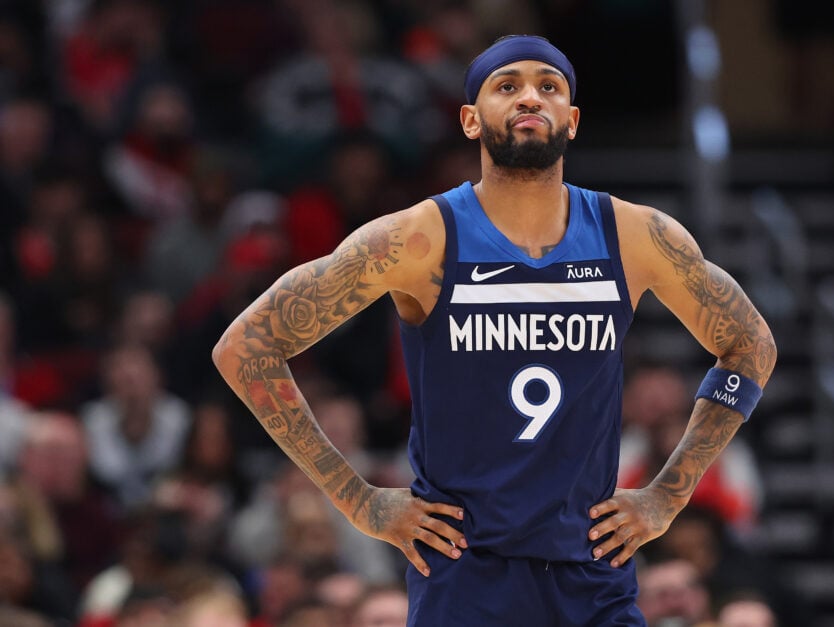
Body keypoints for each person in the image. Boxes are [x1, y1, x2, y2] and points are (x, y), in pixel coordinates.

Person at [212, 34, 777, 626]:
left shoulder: (636, 236)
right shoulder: (415, 239)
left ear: (573, 120)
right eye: (507, 86)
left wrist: (668, 494)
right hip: (464, 572)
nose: (530, 97)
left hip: (592, 570)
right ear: (470, 120)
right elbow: (246, 347)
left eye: (548, 86)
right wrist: (357, 500)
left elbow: (750, 346)